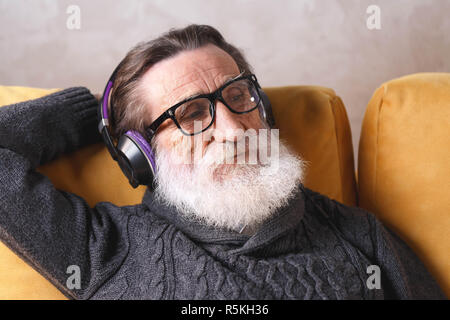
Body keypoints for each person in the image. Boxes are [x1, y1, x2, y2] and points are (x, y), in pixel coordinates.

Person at [0, 24, 445, 300]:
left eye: (238, 97)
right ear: (141, 154)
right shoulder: (102, 249)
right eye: (191, 114)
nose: (234, 130)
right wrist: (90, 112)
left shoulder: (360, 236)